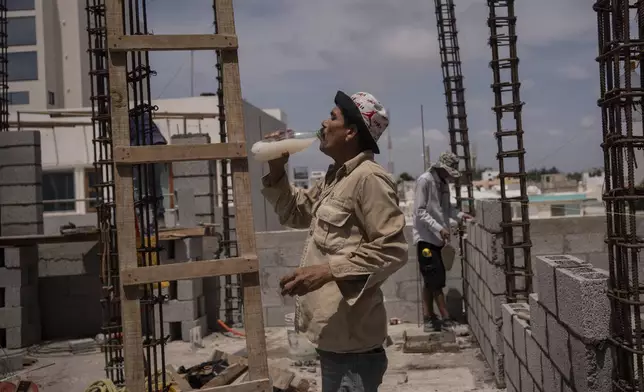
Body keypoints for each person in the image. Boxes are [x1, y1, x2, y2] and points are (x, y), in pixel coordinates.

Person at [261, 91, 408, 392]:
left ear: (351, 131)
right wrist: (277, 169)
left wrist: (327, 271)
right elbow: (294, 213)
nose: (323, 123)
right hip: (336, 342)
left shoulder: (369, 179)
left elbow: (393, 250)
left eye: (333, 117)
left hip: (353, 353)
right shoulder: (336, 178)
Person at [412, 151, 472, 332]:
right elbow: (420, 212)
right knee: (435, 280)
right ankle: (444, 319)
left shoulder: (443, 183)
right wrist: (439, 228)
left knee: (431, 281)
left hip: (437, 239)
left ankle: (429, 317)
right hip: (425, 239)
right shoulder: (425, 180)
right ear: (441, 168)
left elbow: (446, 210)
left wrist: (462, 216)